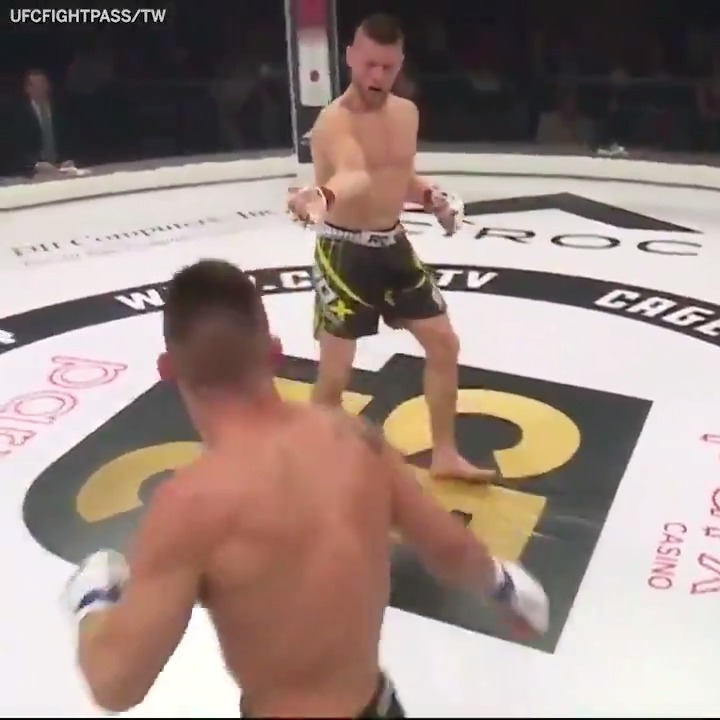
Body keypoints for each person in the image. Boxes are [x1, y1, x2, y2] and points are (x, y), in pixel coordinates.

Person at [63, 260, 549, 717]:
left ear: (168, 369)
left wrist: (94, 601)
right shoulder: (354, 438)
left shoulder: (190, 506)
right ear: (275, 350)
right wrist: (503, 587)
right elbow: (449, 548)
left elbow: (116, 685)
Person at [288, 13, 493, 484]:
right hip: (343, 253)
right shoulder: (333, 122)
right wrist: (321, 197)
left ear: (400, 64)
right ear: (350, 58)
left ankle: (445, 454)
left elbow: (396, 176)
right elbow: (355, 174)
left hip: (393, 244)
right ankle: (306, 468)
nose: (377, 76)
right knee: (335, 377)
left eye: (387, 66)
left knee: (444, 344)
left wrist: (430, 196)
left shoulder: (406, 114)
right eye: (369, 65)